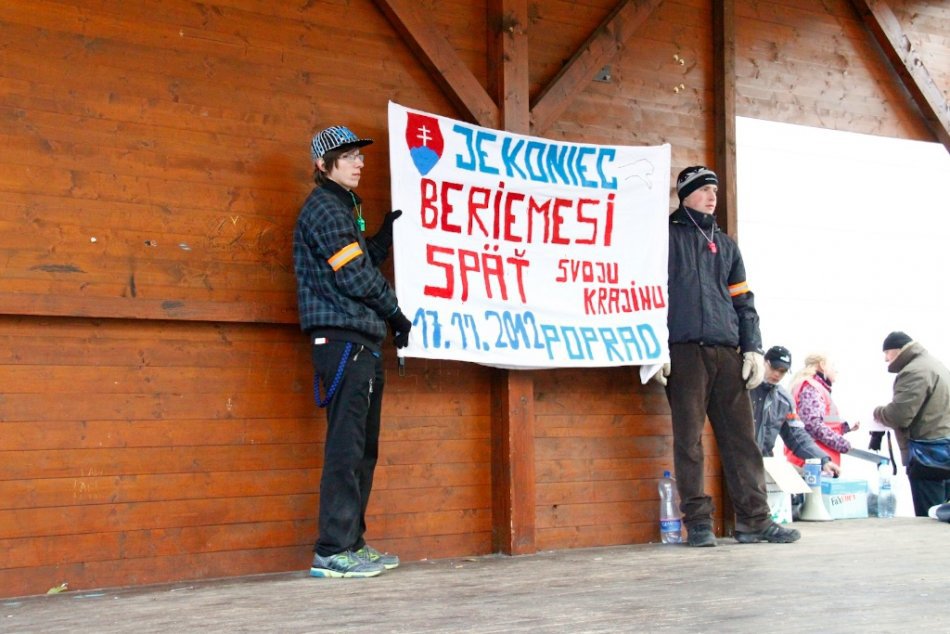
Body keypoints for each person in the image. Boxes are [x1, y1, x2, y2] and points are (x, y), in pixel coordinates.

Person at [654, 166, 800, 546]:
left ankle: (754, 520)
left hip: (727, 352)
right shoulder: (664, 238)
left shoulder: (728, 245)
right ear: (684, 194)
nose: (711, 195)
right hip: (683, 352)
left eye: (714, 189)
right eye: (703, 189)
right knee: (688, 440)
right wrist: (652, 346)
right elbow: (648, 296)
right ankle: (698, 523)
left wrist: (753, 347)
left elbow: (744, 302)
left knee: (742, 439)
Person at [293, 125, 412, 578]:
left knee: (362, 448)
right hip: (342, 340)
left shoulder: (345, 207)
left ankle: (351, 543)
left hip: (359, 340)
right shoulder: (325, 207)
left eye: (359, 156)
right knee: (346, 448)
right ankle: (331, 550)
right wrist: (397, 315)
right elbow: (354, 278)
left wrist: (381, 239)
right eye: (347, 157)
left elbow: (355, 263)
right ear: (324, 166)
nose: (359, 163)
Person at [873, 331, 950, 516]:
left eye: (887, 353)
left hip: (927, 456)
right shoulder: (934, 364)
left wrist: (877, 412)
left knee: (929, 516)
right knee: (942, 515)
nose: (885, 359)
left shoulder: (914, 371)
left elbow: (898, 415)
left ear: (897, 350)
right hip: (943, 450)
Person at [751, 346, 840, 476]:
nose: (777, 374)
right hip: (737, 460)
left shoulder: (785, 400)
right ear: (764, 362)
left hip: (764, 463)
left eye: (783, 371)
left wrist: (823, 460)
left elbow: (797, 435)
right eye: (774, 368)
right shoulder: (744, 389)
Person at [787, 353, 859, 467]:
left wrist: (845, 426)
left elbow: (819, 421)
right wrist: (842, 444)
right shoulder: (812, 387)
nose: (836, 370)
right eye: (833, 366)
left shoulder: (814, 387)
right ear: (822, 365)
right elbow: (813, 425)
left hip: (815, 462)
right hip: (812, 464)